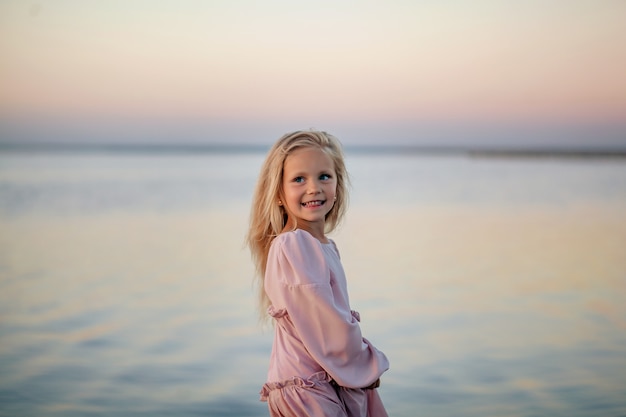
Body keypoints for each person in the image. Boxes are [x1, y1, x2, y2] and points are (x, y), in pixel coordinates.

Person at [247, 130, 390, 417]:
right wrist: (363, 363)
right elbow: (326, 324)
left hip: (325, 381)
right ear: (278, 193)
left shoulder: (323, 246)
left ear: (338, 184)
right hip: (309, 389)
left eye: (324, 176)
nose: (314, 188)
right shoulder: (294, 244)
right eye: (299, 179)